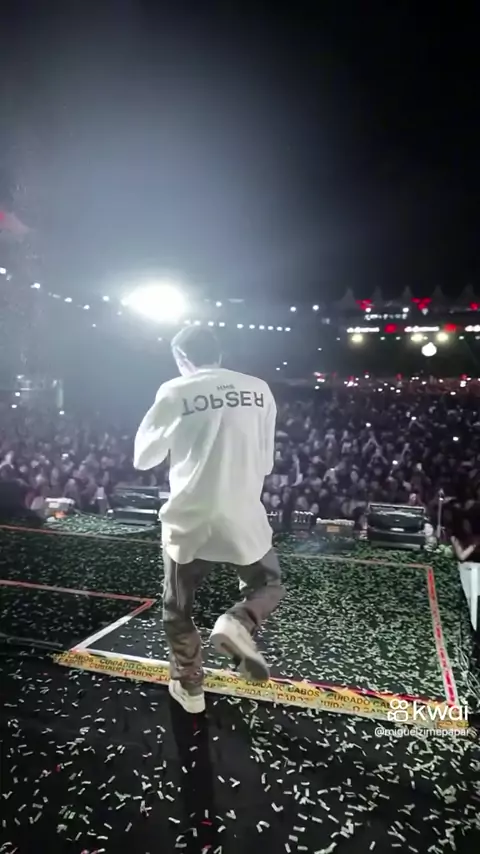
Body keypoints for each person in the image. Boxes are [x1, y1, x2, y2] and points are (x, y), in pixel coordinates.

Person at [133, 326, 286, 713]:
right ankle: (239, 621)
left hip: (189, 518)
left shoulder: (175, 390)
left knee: (177, 606)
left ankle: (190, 687)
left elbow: (144, 458)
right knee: (268, 584)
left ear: (181, 358)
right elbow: (266, 462)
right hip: (243, 514)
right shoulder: (259, 389)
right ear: (219, 354)